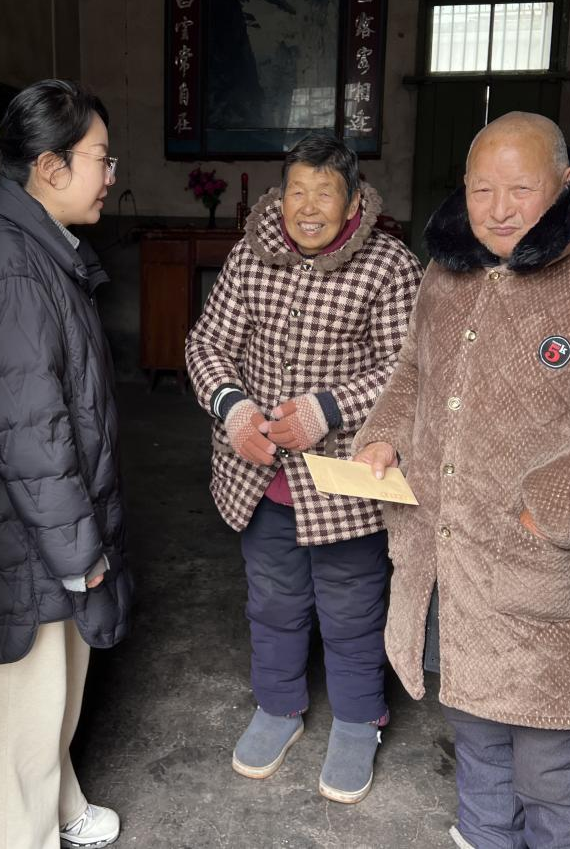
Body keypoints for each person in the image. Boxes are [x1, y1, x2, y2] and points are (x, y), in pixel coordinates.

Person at [354, 111, 570, 847]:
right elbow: (414, 372)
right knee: (479, 754)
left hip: (556, 590)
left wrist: (551, 503)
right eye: (481, 190)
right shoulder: (448, 269)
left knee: (557, 776)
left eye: (521, 189)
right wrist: (382, 437)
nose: (498, 210)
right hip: (456, 576)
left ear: (566, 181)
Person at [185, 134, 423, 803]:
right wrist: (232, 407)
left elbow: (410, 369)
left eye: (325, 192)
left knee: (351, 608)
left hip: (347, 483)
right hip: (261, 477)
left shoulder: (389, 265)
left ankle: (357, 720)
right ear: (280, 194)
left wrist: (328, 409)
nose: (308, 207)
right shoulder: (250, 255)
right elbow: (207, 343)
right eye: (297, 190)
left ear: (353, 201)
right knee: (273, 601)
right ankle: (278, 706)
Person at [0, 79, 132, 849]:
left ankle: (60, 803)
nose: (110, 174)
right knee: (21, 712)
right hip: (24, 541)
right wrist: (82, 554)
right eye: (101, 158)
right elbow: (29, 437)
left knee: (53, 696)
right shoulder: (11, 270)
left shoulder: (38, 249)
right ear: (50, 167)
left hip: (41, 533)